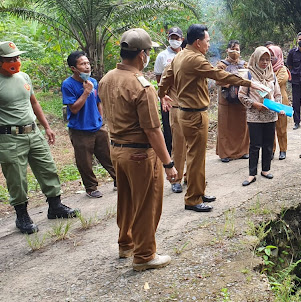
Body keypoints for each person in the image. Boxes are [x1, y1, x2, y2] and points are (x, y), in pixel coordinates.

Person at [159, 24, 263, 212]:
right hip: (195, 114)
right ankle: (192, 199)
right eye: (207, 41)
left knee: (195, 155)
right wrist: (249, 83)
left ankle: (198, 190)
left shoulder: (180, 55)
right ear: (198, 42)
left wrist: (162, 94)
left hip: (185, 112)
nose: (209, 44)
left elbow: (166, 77)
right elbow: (220, 74)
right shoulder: (195, 59)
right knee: (196, 157)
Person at [99, 28, 177, 271]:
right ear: (142, 55)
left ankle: (126, 243)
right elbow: (153, 130)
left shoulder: (106, 79)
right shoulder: (142, 86)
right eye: (147, 53)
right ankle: (144, 256)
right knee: (146, 203)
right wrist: (168, 164)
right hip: (140, 154)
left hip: (117, 150)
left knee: (126, 200)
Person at [0, 41, 79, 234]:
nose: (15, 61)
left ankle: (55, 206)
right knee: (16, 177)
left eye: (17, 57)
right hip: (10, 137)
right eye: (10, 59)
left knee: (47, 168)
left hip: (33, 132)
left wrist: (47, 127)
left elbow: (34, 103)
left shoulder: (23, 77)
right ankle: (22, 216)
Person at [62, 51, 116, 198]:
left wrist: (100, 119)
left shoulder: (94, 82)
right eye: (82, 64)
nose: (87, 67)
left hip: (97, 127)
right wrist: (86, 92)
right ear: (74, 68)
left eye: (87, 63)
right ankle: (91, 187)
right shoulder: (68, 85)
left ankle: (118, 179)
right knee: (84, 161)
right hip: (80, 130)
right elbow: (73, 108)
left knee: (108, 155)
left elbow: (99, 102)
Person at [238, 47, 283, 186]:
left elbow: (277, 95)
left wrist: (278, 107)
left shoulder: (272, 75)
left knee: (268, 144)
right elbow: (241, 95)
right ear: (256, 59)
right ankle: (252, 174)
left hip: (270, 115)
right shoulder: (249, 75)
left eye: (267, 59)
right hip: (255, 116)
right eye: (262, 59)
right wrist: (254, 104)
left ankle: (265, 169)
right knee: (255, 145)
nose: (265, 62)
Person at [155, 27, 186, 193]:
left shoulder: (187, 55)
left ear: (182, 39)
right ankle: (176, 179)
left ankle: (190, 176)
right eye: (171, 37)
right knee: (176, 141)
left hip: (191, 107)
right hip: (172, 104)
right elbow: (161, 81)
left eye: (176, 37)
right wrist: (163, 97)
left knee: (191, 144)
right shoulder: (163, 57)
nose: (174, 39)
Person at [215, 40, 250, 163]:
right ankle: (225, 153)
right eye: (233, 49)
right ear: (227, 50)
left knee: (242, 125)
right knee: (225, 126)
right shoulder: (221, 65)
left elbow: (249, 78)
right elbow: (217, 80)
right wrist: (231, 82)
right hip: (226, 100)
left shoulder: (244, 64)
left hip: (240, 99)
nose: (235, 52)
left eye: (237, 49)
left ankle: (243, 151)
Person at [268, 45, 291, 160]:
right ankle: (271, 150)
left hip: (281, 100)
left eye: (273, 55)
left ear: (278, 55)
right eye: (269, 55)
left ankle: (283, 150)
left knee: (281, 127)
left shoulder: (283, 69)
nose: (271, 57)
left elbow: (278, 82)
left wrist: (266, 83)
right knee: (270, 128)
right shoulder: (266, 68)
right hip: (268, 101)